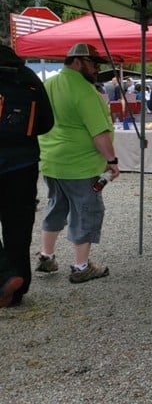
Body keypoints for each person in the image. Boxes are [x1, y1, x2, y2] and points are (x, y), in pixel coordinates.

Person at [37, 43, 119, 283]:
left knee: (55, 207)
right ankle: (81, 266)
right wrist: (112, 161)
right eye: (93, 63)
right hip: (80, 166)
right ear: (77, 62)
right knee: (86, 211)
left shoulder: (48, 84)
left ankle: (46, 256)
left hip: (52, 161)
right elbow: (99, 133)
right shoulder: (84, 91)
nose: (96, 68)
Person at [0, 45, 54, 307]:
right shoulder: (27, 75)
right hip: (23, 163)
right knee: (18, 226)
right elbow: (46, 123)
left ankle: (4, 279)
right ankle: (18, 288)